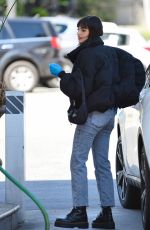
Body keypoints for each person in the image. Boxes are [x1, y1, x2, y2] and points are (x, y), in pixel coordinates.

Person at [49, 15, 119, 229]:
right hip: (108, 115)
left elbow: (77, 89)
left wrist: (61, 74)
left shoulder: (87, 55)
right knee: (102, 164)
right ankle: (106, 215)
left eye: (84, 30)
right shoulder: (109, 53)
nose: (79, 33)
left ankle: (79, 212)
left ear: (94, 32)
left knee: (78, 161)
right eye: (79, 29)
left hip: (93, 116)